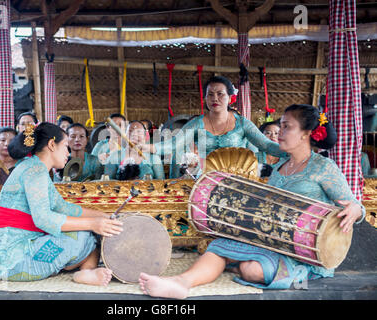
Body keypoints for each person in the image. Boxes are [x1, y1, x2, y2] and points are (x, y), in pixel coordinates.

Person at [139, 104, 365, 298]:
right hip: (271, 241)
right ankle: (180, 283)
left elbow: (355, 206)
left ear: (306, 133)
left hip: (305, 254)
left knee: (252, 270)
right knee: (218, 246)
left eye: (287, 127)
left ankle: (281, 274)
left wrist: (356, 209)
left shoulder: (323, 168)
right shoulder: (279, 167)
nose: (279, 132)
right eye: (281, 125)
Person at [0, 122, 123, 283]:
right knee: (83, 235)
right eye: (65, 146)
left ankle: (87, 272)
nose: (68, 152)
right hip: (12, 263)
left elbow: (63, 208)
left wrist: (104, 217)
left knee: (89, 232)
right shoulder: (34, 171)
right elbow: (44, 219)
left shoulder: (35, 168)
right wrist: (93, 224)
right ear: (52, 144)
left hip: (13, 256)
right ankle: (84, 270)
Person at [141, 76, 285, 176]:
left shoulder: (241, 122)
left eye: (220, 94)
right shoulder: (196, 123)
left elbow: (266, 145)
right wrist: (149, 147)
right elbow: (174, 144)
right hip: (205, 179)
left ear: (229, 97)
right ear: (205, 98)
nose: (215, 98)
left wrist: (289, 151)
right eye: (210, 94)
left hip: (239, 180)